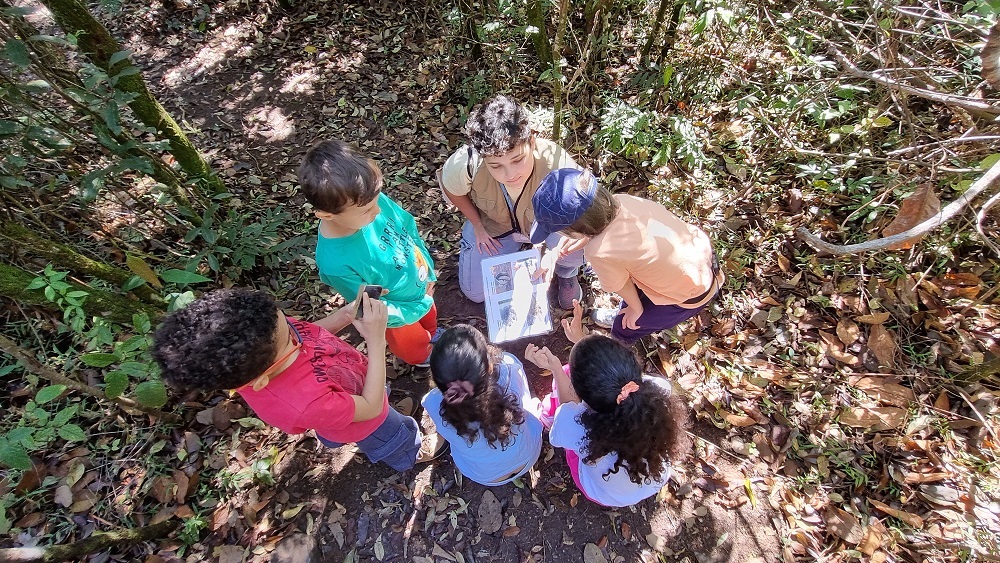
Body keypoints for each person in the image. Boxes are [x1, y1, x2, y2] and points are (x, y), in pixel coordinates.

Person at [151, 288, 446, 471]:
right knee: (389, 434)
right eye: (290, 337)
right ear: (261, 380)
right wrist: (376, 341)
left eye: (288, 324)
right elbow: (369, 408)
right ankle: (410, 451)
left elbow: (308, 330)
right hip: (366, 418)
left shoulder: (271, 339)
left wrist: (345, 315)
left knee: (374, 398)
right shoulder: (303, 402)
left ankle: (373, 417)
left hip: (350, 387)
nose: (297, 333)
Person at [529, 168, 723, 345]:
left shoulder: (598, 253)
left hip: (686, 297)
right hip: (700, 262)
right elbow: (608, 233)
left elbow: (620, 285)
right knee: (633, 301)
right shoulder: (622, 201)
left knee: (629, 323)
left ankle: (621, 340)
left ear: (573, 230)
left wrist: (636, 309)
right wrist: (581, 241)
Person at [524, 312, 690, 507]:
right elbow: (606, 376)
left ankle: (546, 413)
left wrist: (556, 369)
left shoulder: (577, 428)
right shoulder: (659, 390)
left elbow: (566, 409)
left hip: (603, 493)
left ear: (579, 394)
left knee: (558, 403)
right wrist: (583, 341)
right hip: (652, 478)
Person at [299, 139, 439, 367]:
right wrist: (418, 306)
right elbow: (372, 307)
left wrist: (428, 269)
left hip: (422, 288)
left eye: (377, 201)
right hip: (399, 318)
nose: (377, 211)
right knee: (414, 347)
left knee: (431, 322)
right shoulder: (336, 263)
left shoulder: (367, 198)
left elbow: (406, 225)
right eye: (367, 211)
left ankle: (432, 334)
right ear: (326, 215)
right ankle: (424, 357)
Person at [437, 95, 585, 309]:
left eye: (517, 160)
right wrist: (477, 224)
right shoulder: (466, 163)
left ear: (531, 142)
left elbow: (587, 218)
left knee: (576, 237)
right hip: (495, 225)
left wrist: (556, 253)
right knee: (475, 293)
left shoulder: (557, 163)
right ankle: (515, 256)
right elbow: (452, 189)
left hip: (548, 228)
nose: (510, 174)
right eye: (496, 166)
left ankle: (567, 273)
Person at [421, 325, 544, 485]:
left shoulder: (431, 402)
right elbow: (523, 391)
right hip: (529, 456)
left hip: (484, 476)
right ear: (489, 366)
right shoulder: (508, 368)